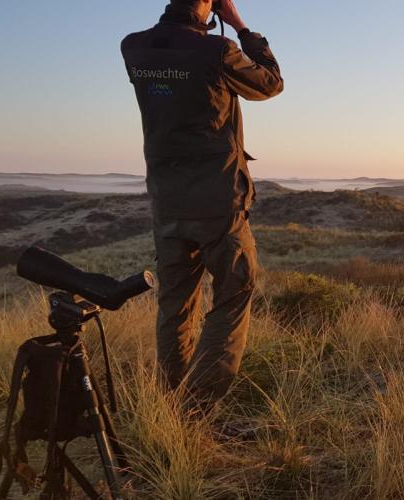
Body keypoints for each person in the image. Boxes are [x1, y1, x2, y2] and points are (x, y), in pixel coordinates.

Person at [121, 0, 283, 411]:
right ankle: (196, 408)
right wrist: (241, 27)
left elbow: (173, 81)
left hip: (167, 202)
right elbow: (270, 84)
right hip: (217, 202)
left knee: (175, 306)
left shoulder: (134, 48)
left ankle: (170, 400)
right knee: (233, 294)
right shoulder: (218, 52)